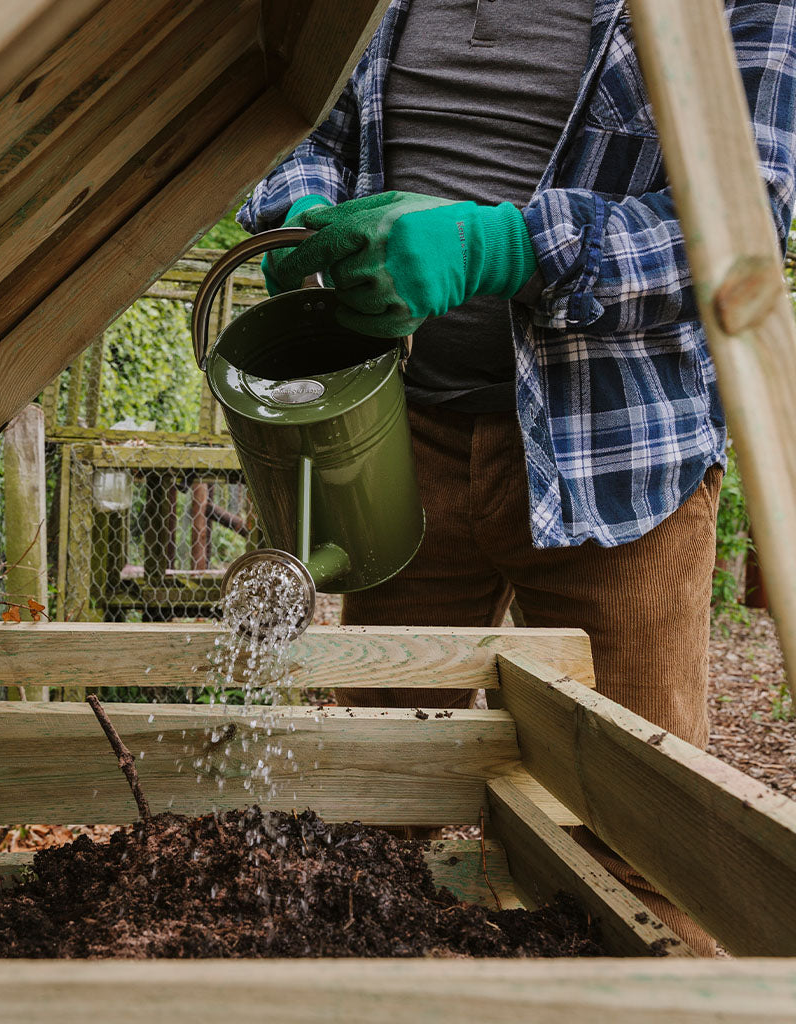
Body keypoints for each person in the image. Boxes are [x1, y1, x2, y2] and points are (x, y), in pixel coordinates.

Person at [238, 0, 796, 954]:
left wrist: (503, 248)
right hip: (396, 446)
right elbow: (305, 122)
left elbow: (745, 219)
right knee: (372, 821)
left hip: (617, 466)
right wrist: (306, 215)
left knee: (641, 840)